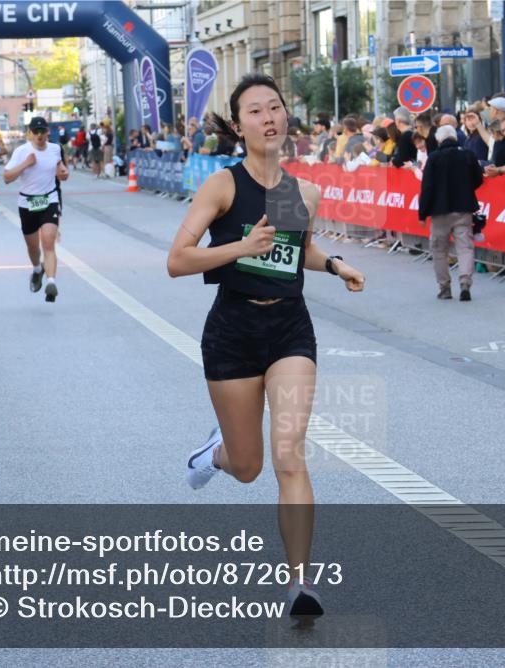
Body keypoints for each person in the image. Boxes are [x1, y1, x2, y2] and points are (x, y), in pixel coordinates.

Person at [166, 73, 365, 622]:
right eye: (255, 111)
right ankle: (214, 454)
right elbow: (177, 260)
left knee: (288, 453)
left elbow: (298, 251)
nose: (269, 117)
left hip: (289, 330)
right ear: (239, 126)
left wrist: (337, 265)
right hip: (232, 332)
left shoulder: (305, 192)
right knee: (249, 466)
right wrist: (237, 246)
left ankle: (300, 584)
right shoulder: (222, 187)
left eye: (274, 107)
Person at [4, 117, 69, 303]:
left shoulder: (55, 149)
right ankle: (37, 269)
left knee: (48, 243)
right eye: (36, 132)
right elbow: (7, 177)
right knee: (33, 247)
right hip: (27, 203)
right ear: (30, 133)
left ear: (48, 132)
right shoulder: (21, 151)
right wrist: (25, 164)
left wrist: (63, 173)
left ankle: (51, 282)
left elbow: (61, 170)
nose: (40, 135)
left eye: (43, 131)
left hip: (49, 200)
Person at [418, 124, 483, 301]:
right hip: (463, 209)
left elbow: (427, 187)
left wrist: (422, 213)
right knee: (465, 247)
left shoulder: (433, 158)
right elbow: (478, 179)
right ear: (455, 137)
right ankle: (465, 282)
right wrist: (466, 189)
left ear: (439, 140)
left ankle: (444, 288)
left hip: (439, 212)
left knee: (439, 250)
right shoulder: (468, 155)